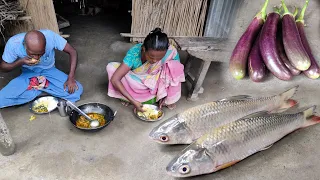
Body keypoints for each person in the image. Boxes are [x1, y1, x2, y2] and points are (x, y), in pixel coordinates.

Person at [106, 28, 185, 112]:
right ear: (143, 49)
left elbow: (176, 73)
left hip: (156, 82)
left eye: (159, 58)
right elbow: (115, 79)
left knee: (175, 67)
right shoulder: (134, 53)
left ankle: (164, 98)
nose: (155, 61)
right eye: (151, 57)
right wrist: (133, 102)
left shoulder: (170, 51)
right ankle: (128, 98)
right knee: (112, 68)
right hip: (137, 81)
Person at [0, 29, 83, 108]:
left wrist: (71, 77)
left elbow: (72, 51)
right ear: (25, 46)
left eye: (40, 54)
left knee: (76, 90)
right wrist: (20, 62)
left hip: (49, 71)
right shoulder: (14, 43)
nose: (36, 57)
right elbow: (3, 67)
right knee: (2, 98)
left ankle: (37, 87)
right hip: (28, 73)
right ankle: (44, 88)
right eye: (32, 54)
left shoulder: (50, 36)